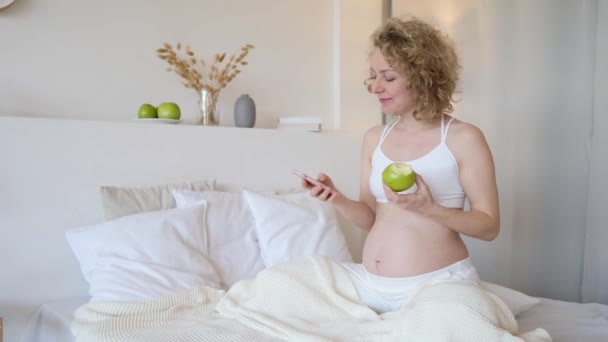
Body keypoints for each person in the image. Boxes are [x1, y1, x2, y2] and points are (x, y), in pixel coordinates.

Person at [301, 17, 500, 314]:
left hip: (436, 286)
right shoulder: (373, 138)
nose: (375, 87)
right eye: (373, 76)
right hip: (370, 286)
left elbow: (489, 226)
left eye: (389, 77)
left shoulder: (463, 138)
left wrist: (430, 209)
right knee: (284, 283)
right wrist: (337, 198)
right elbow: (371, 218)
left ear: (423, 76)